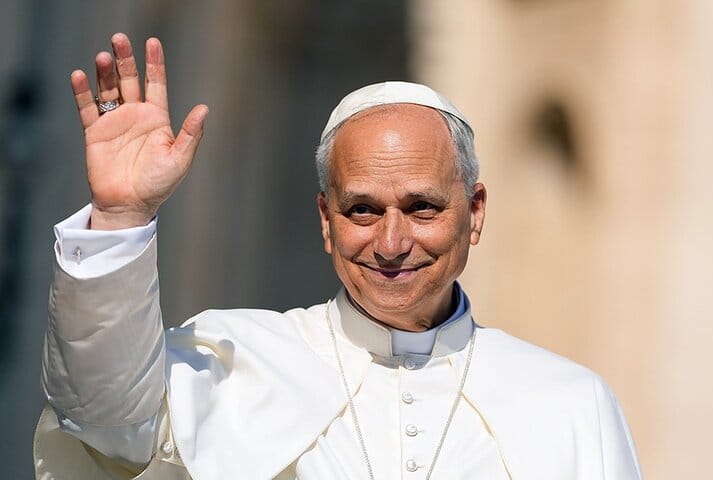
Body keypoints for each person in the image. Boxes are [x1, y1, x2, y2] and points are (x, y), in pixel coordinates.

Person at [34, 33, 643, 480]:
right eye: (363, 211)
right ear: (326, 221)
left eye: (422, 208)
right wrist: (120, 217)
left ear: (475, 212)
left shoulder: (570, 404)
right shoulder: (234, 361)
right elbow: (104, 418)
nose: (391, 244)